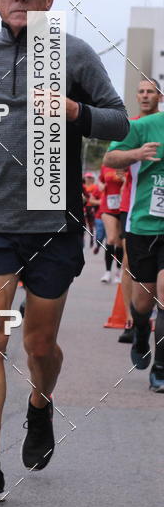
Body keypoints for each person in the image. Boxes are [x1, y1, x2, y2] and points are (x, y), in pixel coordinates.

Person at [0, 0, 128, 503]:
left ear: (49, 0)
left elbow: (118, 121)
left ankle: (41, 404)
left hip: (54, 222)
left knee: (40, 342)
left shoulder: (72, 53)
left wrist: (77, 113)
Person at [104, 84, 164, 391]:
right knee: (143, 300)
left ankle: (162, 367)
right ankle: (141, 331)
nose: (144, 95)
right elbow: (109, 158)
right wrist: (136, 154)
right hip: (144, 225)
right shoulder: (145, 126)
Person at [115, 79, 162, 342]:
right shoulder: (131, 125)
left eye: (150, 92)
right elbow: (113, 160)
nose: (145, 96)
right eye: (141, 91)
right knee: (129, 263)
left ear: (159, 97)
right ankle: (133, 320)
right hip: (132, 206)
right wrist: (131, 156)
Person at [97, 165, 125, 283]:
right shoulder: (106, 166)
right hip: (108, 207)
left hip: (123, 207)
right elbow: (100, 180)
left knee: (120, 243)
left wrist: (124, 179)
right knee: (111, 239)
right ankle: (107, 272)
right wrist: (101, 185)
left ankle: (118, 272)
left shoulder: (128, 166)